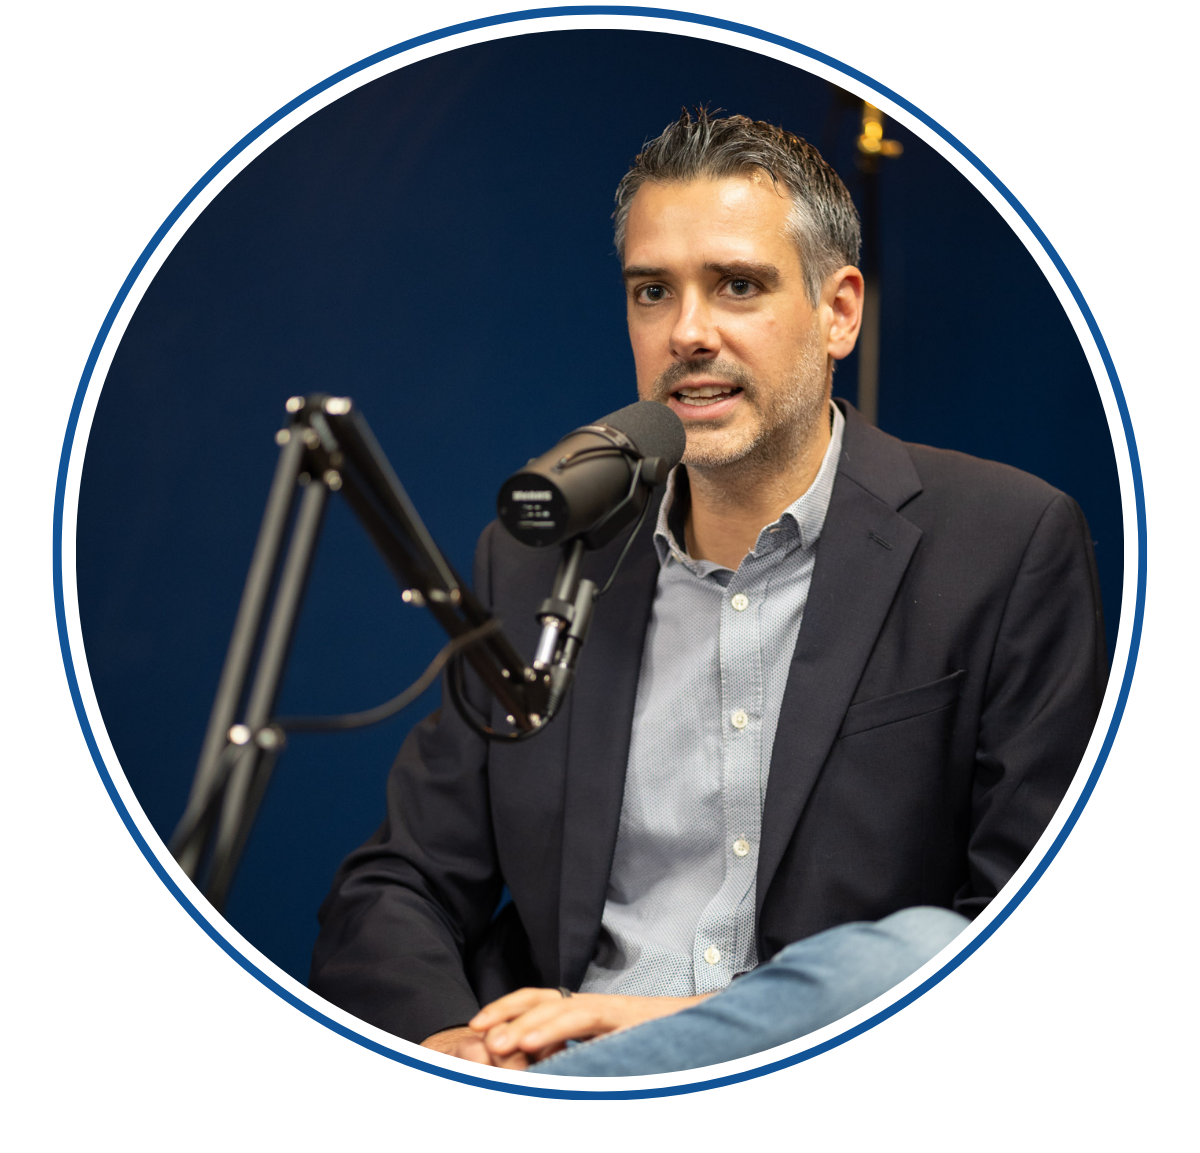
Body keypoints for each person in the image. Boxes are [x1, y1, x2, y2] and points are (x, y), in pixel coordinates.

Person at [309, 108, 1106, 1075]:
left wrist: (668, 1028)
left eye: (737, 286)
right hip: (553, 1083)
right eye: (653, 292)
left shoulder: (1004, 542)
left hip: (833, 1079)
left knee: (915, 952)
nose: (688, 333)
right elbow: (400, 882)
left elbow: (1028, 938)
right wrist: (457, 1053)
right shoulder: (539, 565)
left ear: (838, 312)